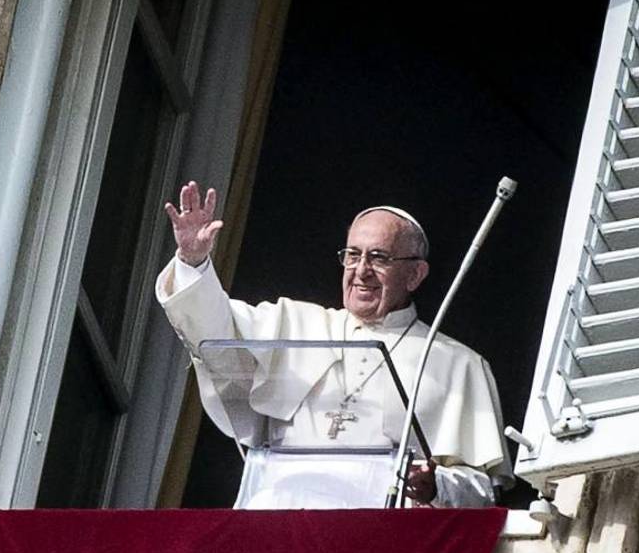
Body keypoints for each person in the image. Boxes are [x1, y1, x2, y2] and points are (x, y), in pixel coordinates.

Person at [157, 181, 509, 509]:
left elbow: (480, 490)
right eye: (353, 255)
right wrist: (193, 262)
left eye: (380, 258)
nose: (362, 270)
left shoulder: (458, 364)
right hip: (280, 516)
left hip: (380, 540)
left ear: (415, 274)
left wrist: (434, 487)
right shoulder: (295, 323)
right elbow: (214, 337)